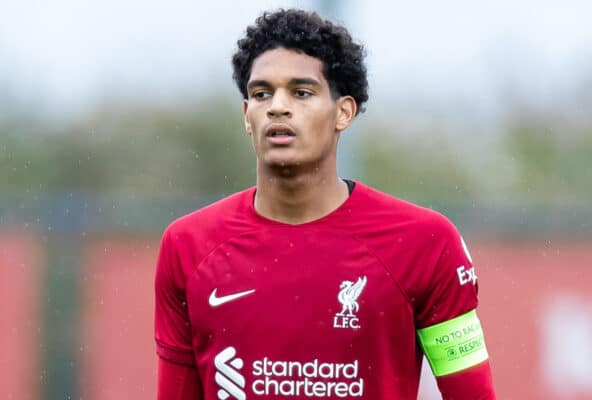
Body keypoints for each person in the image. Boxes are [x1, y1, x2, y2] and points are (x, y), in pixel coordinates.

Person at [155, 8, 496, 400]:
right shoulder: (188, 246)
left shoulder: (426, 243)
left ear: (344, 112)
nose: (277, 107)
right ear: (247, 115)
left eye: (301, 92)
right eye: (262, 93)